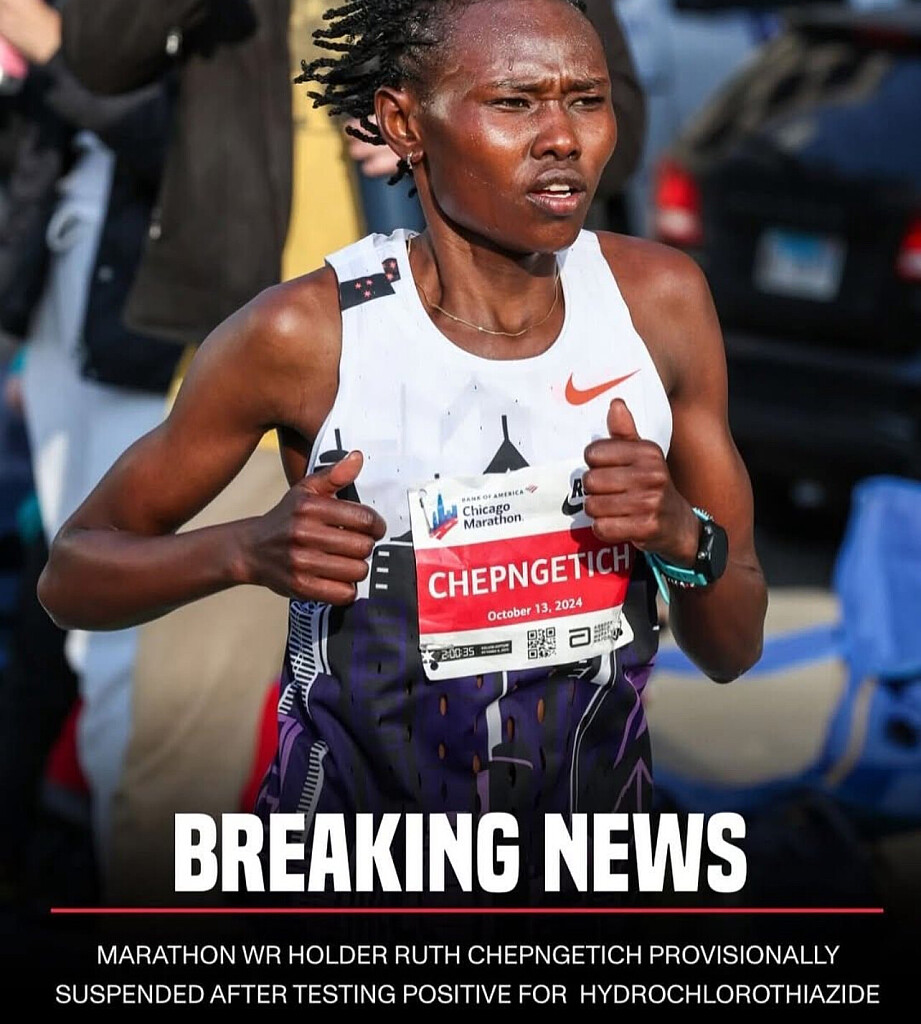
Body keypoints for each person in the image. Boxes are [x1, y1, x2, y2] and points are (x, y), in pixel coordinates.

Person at [40, 0, 767, 894]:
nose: (562, 138)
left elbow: (734, 650)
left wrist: (680, 536)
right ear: (402, 124)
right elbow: (72, 574)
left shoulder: (659, 303)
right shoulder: (306, 335)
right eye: (514, 103)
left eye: (586, 100)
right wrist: (244, 551)